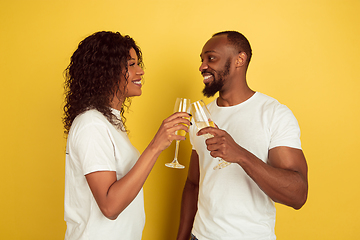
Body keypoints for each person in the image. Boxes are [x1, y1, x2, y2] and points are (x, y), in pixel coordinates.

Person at [177, 31, 308, 240]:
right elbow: (193, 184)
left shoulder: (274, 114)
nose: (202, 66)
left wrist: (241, 155)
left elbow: (298, 194)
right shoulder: (201, 117)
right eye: (202, 60)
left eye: (211, 58)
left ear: (240, 59)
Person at [63, 31, 191, 240]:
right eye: (131, 65)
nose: (140, 71)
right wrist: (156, 146)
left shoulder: (107, 121)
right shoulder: (91, 124)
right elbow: (110, 206)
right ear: (106, 71)